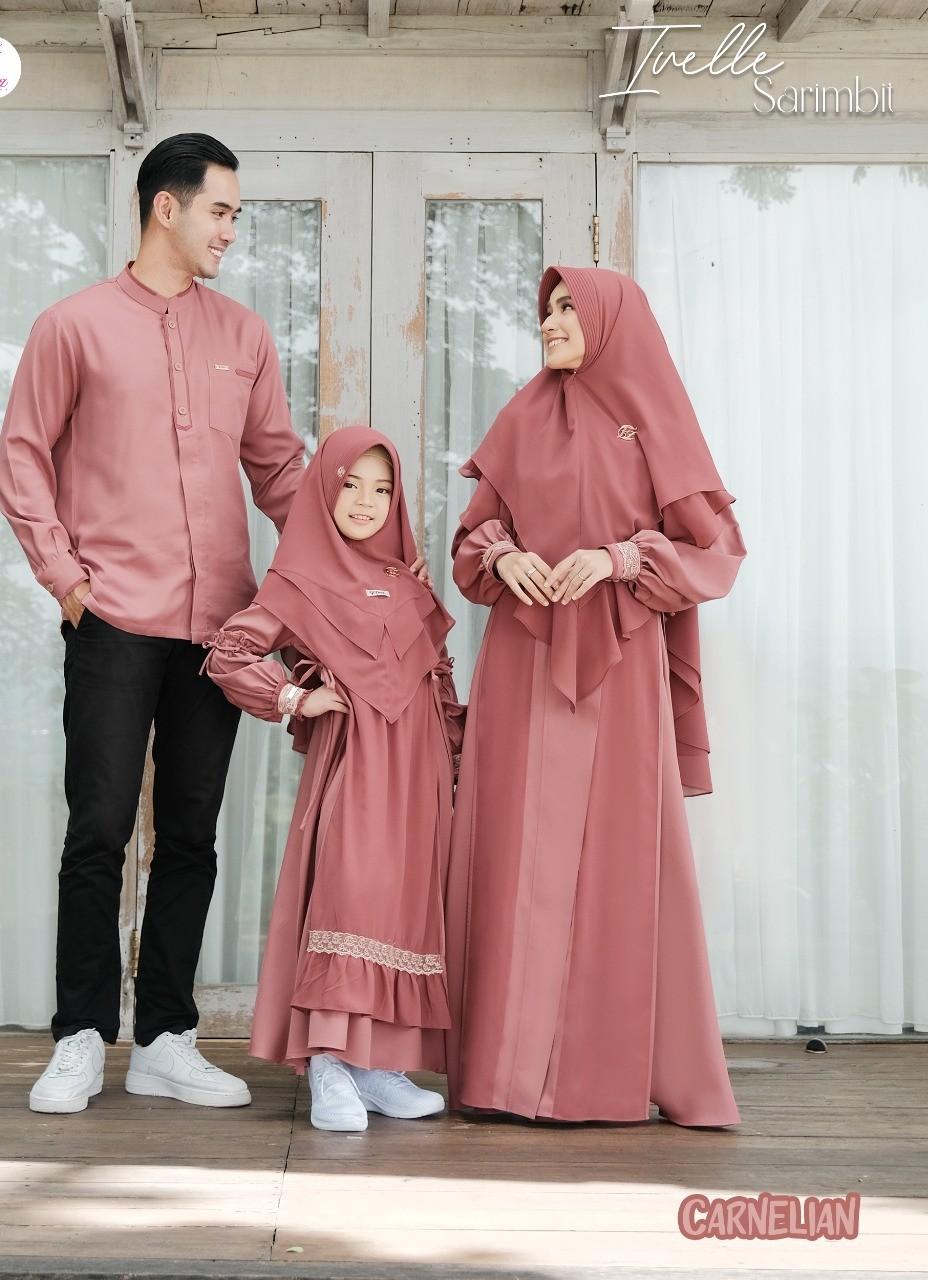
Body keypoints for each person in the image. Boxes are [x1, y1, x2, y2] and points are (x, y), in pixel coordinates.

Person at [0, 132, 310, 1114]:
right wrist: (66, 579)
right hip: (114, 618)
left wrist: (341, 567)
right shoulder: (73, 327)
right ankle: (81, 1036)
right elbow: (21, 456)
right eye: (221, 211)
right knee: (97, 830)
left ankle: (167, 1036)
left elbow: (279, 470)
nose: (231, 231)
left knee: (191, 834)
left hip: (219, 626)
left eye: (236, 216)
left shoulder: (245, 337)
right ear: (165, 208)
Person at [445, 266, 745, 1127]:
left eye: (569, 309)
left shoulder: (654, 419)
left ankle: (594, 1076)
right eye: (546, 310)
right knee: (515, 855)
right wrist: (503, 556)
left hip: (618, 666)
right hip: (522, 661)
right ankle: (501, 1077)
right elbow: (471, 542)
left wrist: (618, 558)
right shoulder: (524, 415)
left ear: (612, 321)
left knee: (615, 860)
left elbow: (718, 551)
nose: (551, 322)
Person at [203, 426, 464, 1132]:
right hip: (356, 770)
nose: (366, 501)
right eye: (350, 484)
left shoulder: (409, 586)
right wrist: (294, 697)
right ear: (324, 487)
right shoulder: (298, 581)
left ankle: (376, 1067)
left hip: (418, 779)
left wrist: (460, 762)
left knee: (405, 910)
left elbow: (439, 682)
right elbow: (230, 652)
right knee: (350, 900)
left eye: (383, 489)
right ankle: (327, 1063)